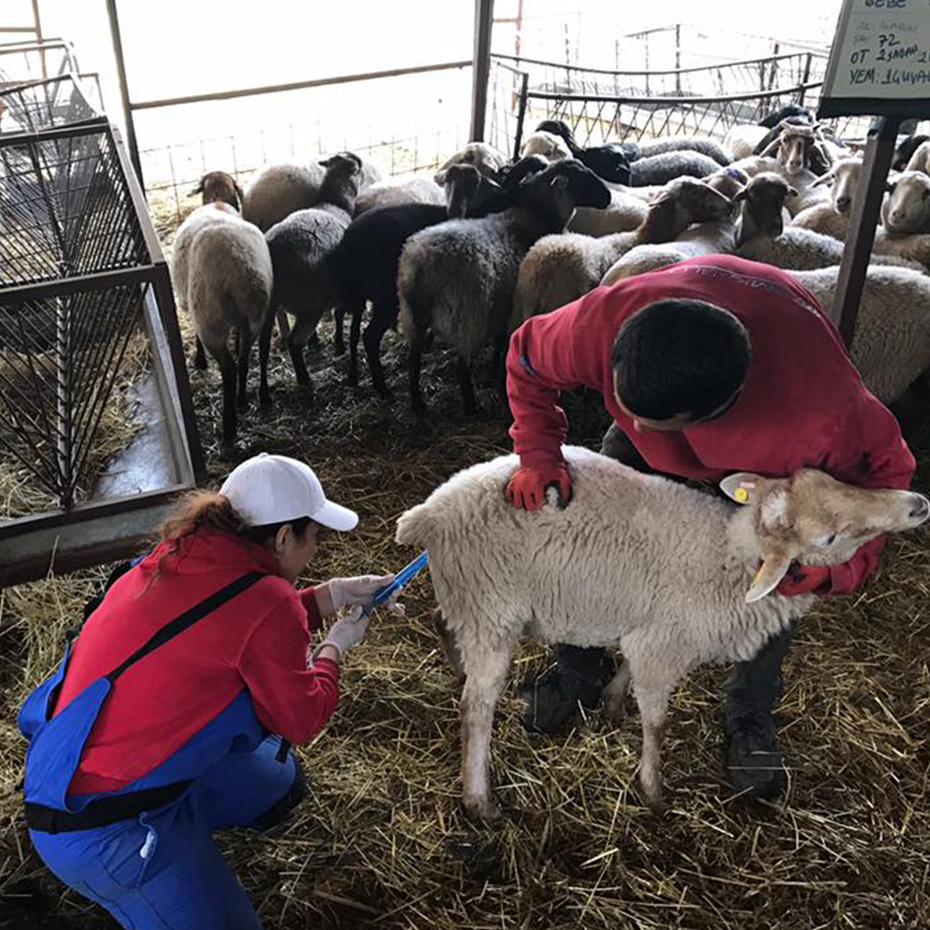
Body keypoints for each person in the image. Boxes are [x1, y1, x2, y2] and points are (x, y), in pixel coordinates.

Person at [503, 254, 915, 799]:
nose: (638, 420)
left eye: (656, 420)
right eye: (624, 398)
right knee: (599, 527)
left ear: (724, 405)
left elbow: (890, 479)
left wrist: (838, 571)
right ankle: (577, 667)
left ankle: (750, 713)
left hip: (767, 455)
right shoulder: (603, 323)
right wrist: (537, 454)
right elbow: (525, 359)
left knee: (777, 566)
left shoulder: (822, 416)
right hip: (666, 406)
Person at [19, 452, 401, 929]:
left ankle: (189, 825)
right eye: (314, 537)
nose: (315, 551)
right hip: (101, 826)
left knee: (274, 781)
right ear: (284, 537)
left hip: (64, 763)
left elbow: (235, 629)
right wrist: (334, 649)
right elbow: (302, 717)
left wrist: (329, 596)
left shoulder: (181, 554)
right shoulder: (267, 599)